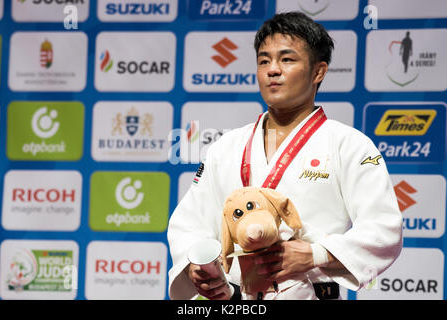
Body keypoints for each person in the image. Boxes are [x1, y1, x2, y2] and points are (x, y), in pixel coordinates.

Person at [167, 11, 403, 300]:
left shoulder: (349, 144)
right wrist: (199, 266)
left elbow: (384, 228)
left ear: (318, 71)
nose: (272, 70)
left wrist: (317, 254)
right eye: (264, 60)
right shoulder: (227, 146)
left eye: (287, 59)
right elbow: (190, 223)